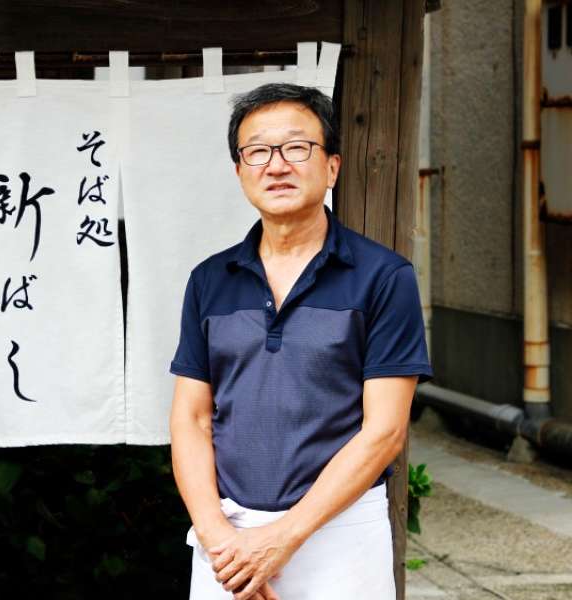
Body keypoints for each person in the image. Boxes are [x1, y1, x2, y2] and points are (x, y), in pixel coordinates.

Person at [169, 83, 432, 600]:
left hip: (341, 534)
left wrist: (283, 539)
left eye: (296, 147)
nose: (277, 165)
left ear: (331, 167)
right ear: (240, 170)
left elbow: (384, 432)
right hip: (228, 537)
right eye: (259, 151)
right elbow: (191, 419)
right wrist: (218, 536)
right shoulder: (209, 281)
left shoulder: (383, 277)